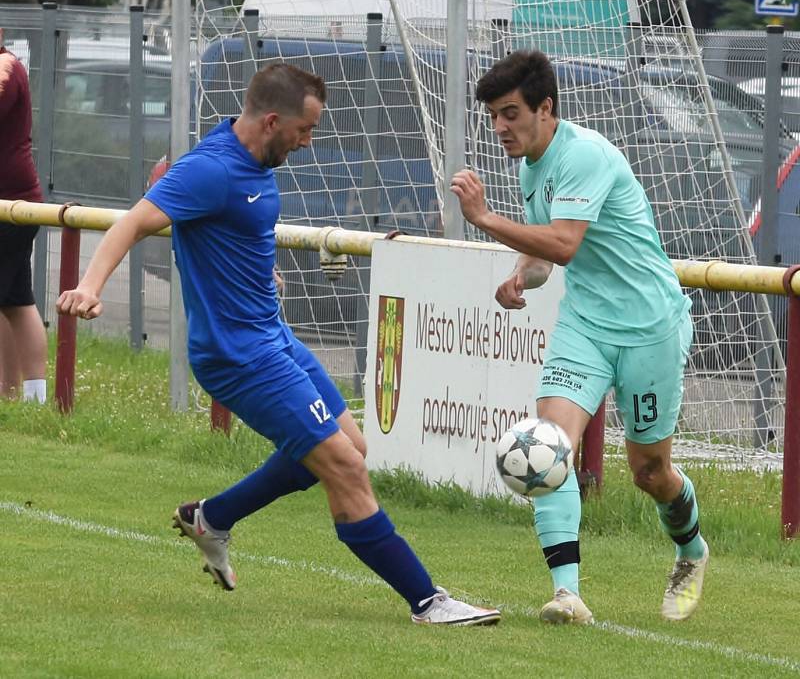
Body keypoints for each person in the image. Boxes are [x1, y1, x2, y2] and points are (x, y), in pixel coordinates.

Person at [57, 63, 500, 627]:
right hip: (238, 356)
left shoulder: (255, 158)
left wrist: (261, 272)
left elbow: (238, 230)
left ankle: (212, 516)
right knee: (344, 467)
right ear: (272, 121)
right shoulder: (209, 171)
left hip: (274, 337)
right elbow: (133, 223)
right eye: (305, 130)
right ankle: (427, 600)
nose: (309, 142)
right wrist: (89, 287)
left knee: (350, 449)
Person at [449, 50, 708, 625]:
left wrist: (485, 220)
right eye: (493, 115)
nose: (499, 127)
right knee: (548, 447)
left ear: (546, 108)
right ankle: (568, 594)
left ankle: (691, 550)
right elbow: (548, 256)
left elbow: (563, 243)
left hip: (649, 328)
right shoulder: (529, 164)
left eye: (510, 113)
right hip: (586, 324)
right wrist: (522, 275)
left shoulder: (585, 155)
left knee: (650, 473)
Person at [0, 27, 48, 403]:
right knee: (15, 300)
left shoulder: (6, 68)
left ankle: (24, 394)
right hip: (13, 204)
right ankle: (20, 395)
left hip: (12, 205)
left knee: (14, 300)